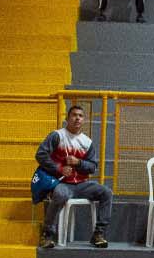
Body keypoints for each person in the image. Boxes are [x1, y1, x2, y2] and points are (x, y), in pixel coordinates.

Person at [34, 104, 113, 249]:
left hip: (82, 184)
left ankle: (98, 234)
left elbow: (92, 167)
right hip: (62, 183)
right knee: (60, 194)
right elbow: (40, 155)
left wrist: (79, 162)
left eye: (81, 116)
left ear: (84, 120)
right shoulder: (57, 136)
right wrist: (59, 168)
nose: (77, 118)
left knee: (106, 192)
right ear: (67, 118)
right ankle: (47, 235)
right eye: (74, 115)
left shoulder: (87, 142)